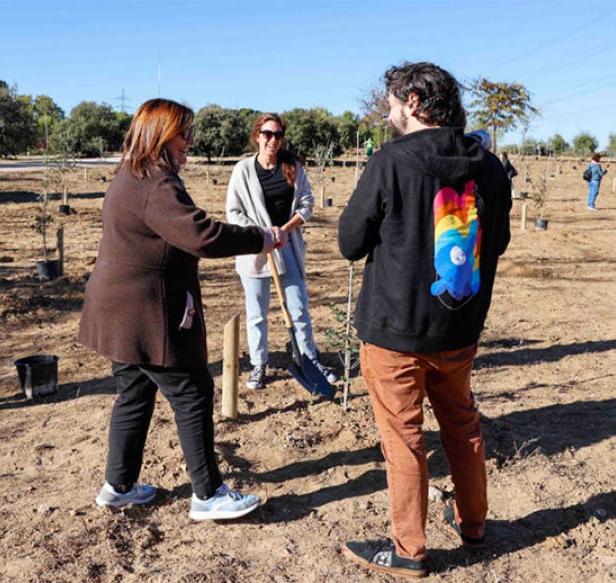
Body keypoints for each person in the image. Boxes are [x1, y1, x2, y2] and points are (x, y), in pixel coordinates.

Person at [337, 62, 512, 579]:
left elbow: (350, 243)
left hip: (395, 331)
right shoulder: (491, 166)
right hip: (459, 327)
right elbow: (496, 242)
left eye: (391, 102)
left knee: (404, 438)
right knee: (462, 425)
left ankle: (409, 549)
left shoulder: (389, 161)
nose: (388, 111)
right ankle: (475, 525)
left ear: (413, 102)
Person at [78, 98, 286, 521]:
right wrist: (259, 238)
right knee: (192, 392)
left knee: (134, 395)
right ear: (160, 135)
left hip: (120, 311)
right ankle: (208, 494)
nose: (190, 142)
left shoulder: (130, 174)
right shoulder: (156, 183)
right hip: (147, 312)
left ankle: (118, 486)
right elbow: (201, 236)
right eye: (184, 134)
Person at [225, 113, 338, 391]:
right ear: (257, 136)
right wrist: (262, 234)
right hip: (255, 250)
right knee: (257, 313)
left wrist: (284, 230)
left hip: (286, 246)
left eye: (277, 135)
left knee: (298, 309)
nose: (272, 140)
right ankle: (258, 364)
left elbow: (307, 204)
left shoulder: (293, 167)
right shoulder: (243, 170)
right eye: (267, 134)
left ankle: (309, 358)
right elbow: (234, 212)